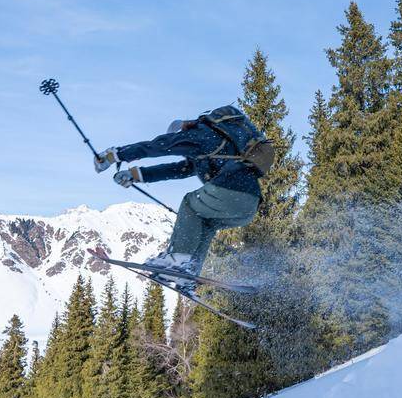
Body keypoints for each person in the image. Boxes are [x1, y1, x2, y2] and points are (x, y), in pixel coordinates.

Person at [95, 105, 273, 278]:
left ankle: (178, 259)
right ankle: (188, 273)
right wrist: (136, 175)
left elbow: (161, 146)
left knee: (190, 204)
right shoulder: (220, 145)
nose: (183, 152)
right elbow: (179, 170)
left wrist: (116, 155)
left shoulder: (201, 135)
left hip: (229, 190)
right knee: (206, 223)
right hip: (249, 205)